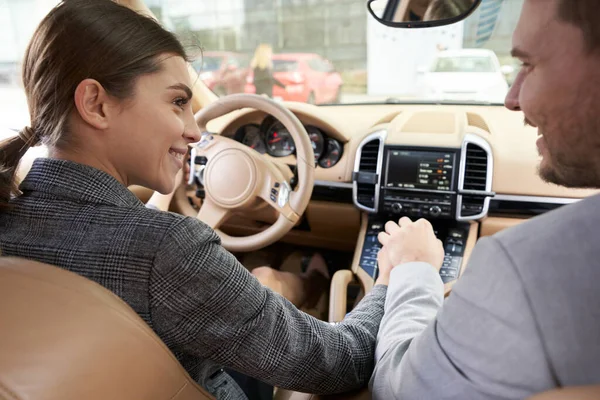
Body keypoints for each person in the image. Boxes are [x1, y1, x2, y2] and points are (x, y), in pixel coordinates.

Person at [0, 1, 392, 399]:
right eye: (177, 102)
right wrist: (396, 278)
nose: (194, 131)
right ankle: (307, 284)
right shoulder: (166, 248)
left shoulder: (7, 218)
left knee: (260, 298)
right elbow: (339, 362)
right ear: (96, 104)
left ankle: (286, 286)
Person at [370, 0, 600, 398]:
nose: (512, 99)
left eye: (528, 65)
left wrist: (412, 268)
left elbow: (398, 386)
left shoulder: (522, 270)